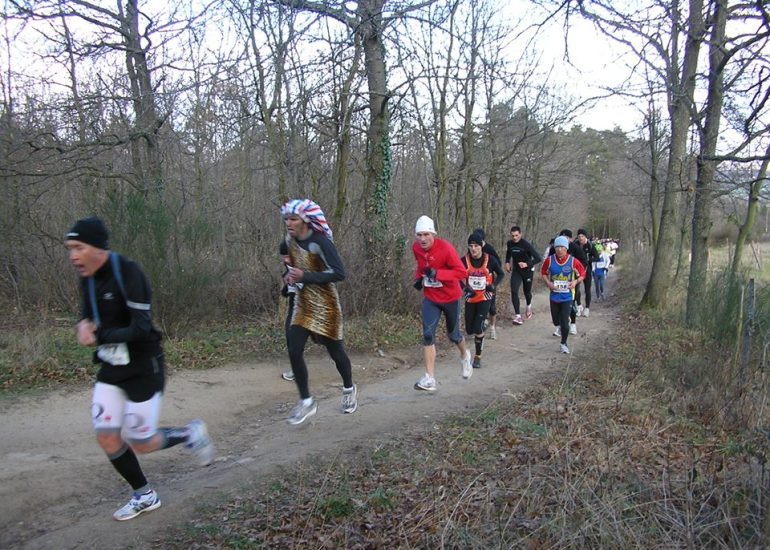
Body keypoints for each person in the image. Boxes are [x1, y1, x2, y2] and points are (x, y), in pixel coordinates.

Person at [65, 217, 213, 522]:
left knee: (141, 442)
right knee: (107, 436)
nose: (73, 256)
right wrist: (82, 326)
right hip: (111, 366)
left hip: (144, 365)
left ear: (97, 248)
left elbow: (141, 328)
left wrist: (100, 335)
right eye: (70, 249)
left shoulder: (129, 273)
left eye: (78, 248)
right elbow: (86, 314)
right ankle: (144, 494)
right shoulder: (87, 277)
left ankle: (188, 433)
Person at [280, 199, 357, 424]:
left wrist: (306, 276)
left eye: (293, 219)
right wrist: (288, 281)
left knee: (336, 353)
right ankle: (306, 401)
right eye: (286, 219)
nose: (288, 223)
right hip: (303, 302)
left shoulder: (321, 242)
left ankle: (349, 388)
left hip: (326, 304)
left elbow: (339, 274)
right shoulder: (289, 241)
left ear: (305, 220)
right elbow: (293, 268)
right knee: (294, 348)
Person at [412, 215, 472, 390]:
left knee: (453, 336)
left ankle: (465, 354)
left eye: (426, 235)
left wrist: (437, 274)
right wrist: (419, 278)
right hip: (431, 298)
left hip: (450, 298)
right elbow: (421, 266)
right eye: (419, 235)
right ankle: (430, 378)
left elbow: (461, 273)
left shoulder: (445, 248)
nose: (422, 239)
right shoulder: (416, 248)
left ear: (433, 234)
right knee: (428, 334)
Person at [461, 232, 505, 369]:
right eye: (470, 246)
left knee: (477, 327)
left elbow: (501, 274)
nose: (473, 249)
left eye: (476, 246)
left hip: (485, 297)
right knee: (469, 329)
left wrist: (493, 285)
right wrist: (464, 288)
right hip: (470, 298)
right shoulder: (464, 260)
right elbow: (456, 276)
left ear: (481, 246)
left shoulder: (490, 260)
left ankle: (477, 357)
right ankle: (483, 326)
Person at [541, 235, 586, 354]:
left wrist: (575, 281)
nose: (559, 249)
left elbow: (583, 274)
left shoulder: (573, 261)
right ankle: (560, 326)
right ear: (554, 248)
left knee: (565, 322)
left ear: (566, 248)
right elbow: (543, 272)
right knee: (556, 321)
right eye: (557, 247)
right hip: (554, 296)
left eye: (562, 247)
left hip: (567, 296)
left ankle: (563, 343)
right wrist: (548, 283)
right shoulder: (549, 260)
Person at [548, 229, 587, 336]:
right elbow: (549, 262)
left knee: (571, 302)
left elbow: (584, 261)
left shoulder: (575, 248)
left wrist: (577, 274)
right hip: (557, 281)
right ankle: (560, 326)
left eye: (566, 239)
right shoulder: (553, 249)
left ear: (570, 239)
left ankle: (573, 324)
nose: (561, 247)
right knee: (557, 305)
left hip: (572, 280)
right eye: (560, 240)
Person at [504, 225, 542, 325]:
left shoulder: (526, 244)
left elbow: (538, 258)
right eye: (512, 236)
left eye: (516, 235)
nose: (514, 238)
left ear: (520, 234)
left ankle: (528, 306)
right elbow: (508, 253)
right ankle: (518, 316)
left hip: (528, 271)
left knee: (527, 292)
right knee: (514, 290)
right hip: (517, 270)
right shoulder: (510, 243)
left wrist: (526, 264)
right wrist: (507, 262)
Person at [472, 228, 502, 339]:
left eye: (478, 242)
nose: (474, 246)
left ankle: (492, 327)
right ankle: (482, 323)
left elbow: (498, 263)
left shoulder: (489, 249)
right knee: (477, 305)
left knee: (492, 307)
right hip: (475, 282)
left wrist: (490, 267)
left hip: (489, 283)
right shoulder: (472, 249)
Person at [575, 229, 600, 317]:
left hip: (587, 269)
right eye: (579, 236)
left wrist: (589, 260)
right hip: (577, 269)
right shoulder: (575, 244)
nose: (580, 238)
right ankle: (578, 306)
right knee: (576, 288)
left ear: (585, 237)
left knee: (587, 289)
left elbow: (597, 257)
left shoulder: (590, 245)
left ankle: (587, 308)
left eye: (582, 236)